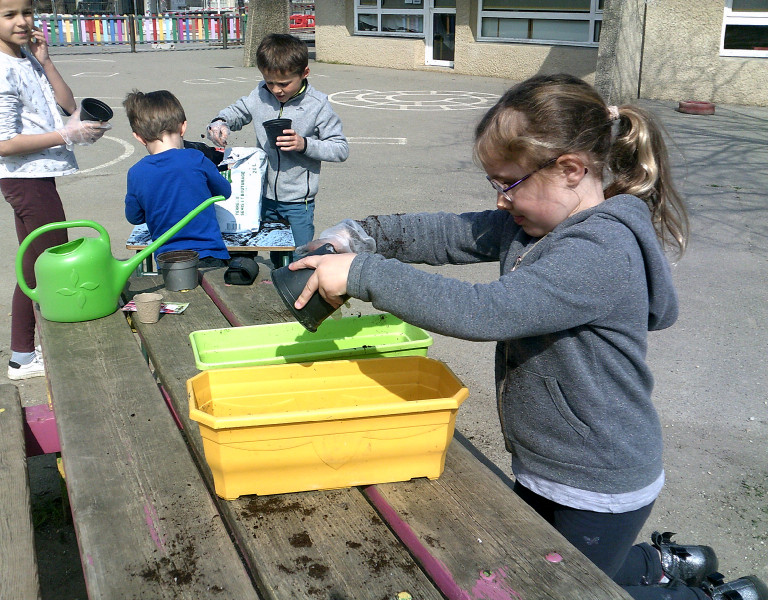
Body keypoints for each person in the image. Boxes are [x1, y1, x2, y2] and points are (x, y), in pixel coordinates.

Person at [289, 74, 768, 600]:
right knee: (547, 565)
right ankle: (659, 562)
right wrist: (359, 235)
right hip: (546, 460)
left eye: (508, 183)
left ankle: (710, 597)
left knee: (567, 590)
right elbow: (449, 233)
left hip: (596, 479)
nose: (500, 201)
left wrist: (363, 273)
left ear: (570, 170)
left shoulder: (599, 252)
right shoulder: (536, 224)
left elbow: (485, 312)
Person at [0, 0, 110, 380]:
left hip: (35, 177)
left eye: (27, 12)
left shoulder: (23, 56)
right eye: (9, 14)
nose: (22, 21)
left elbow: (67, 104)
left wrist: (45, 61)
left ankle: (22, 356)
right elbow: (4, 144)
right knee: (53, 269)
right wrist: (68, 135)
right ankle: (50, 352)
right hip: (25, 180)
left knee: (33, 268)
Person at [206, 33, 349, 268]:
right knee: (275, 253)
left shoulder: (317, 104)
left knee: (299, 257)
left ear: (304, 73)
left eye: (284, 84)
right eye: (270, 82)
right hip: (263, 196)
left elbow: (340, 149)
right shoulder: (260, 93)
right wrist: (220, 122)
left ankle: (298, 288)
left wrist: (304, 144)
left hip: (298, 202)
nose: (276, 90)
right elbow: (238, 111)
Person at [123, 89, 232, 268]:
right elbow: (224, 191)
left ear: (139, 137)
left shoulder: (136, 172)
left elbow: (134, 217)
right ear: (183, 127)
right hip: (209, 253)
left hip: (168, 260)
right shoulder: (196, 159)